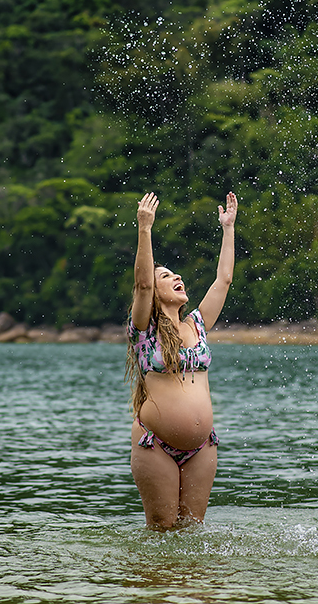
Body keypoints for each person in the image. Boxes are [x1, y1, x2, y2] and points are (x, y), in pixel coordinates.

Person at [125, 190, 237, 530]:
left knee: (192, 532)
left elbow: (224, 280)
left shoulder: (198, 324)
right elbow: (143, 284)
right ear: (156, 295)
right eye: (166, 276)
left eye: (176, 274)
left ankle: (189, 587)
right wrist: (145, 229)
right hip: (155, 444)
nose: (176, 277)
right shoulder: (144, 331)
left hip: (203, 447)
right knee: (161, 530)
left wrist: (228, 229)